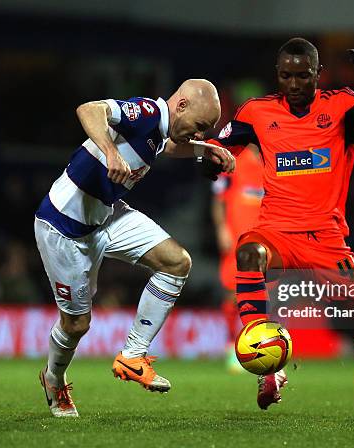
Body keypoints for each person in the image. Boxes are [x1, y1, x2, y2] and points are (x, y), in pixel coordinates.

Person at [168, 39, 354, 420]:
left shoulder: (343, 106)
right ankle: (267, 358)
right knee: (248, 254)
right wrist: (208, 159)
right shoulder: (257, 112)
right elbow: (218, 146)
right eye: (286, 75)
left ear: (318, 75)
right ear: (277, 75)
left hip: (327, 240)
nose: (294, 83)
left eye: (302, 75)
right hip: (276, 231)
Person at [35, 79, 234, 417]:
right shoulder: (146, 112)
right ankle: (53, 377)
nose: (199, 134)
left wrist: (206, 149)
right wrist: (110, 151)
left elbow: (166, 148)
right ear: (181, 105)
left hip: (107, 215)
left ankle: (132, 355)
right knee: (77, 325)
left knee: (177, 262)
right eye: (200, 128)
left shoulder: (160, 132)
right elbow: (89, 109)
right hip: (64, 227)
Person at [210, 147, 264, 372]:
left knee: (262, 294)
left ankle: (260, 345)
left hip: (262, 241)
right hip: (237, 239)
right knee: (234, 293)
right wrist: (222, 228)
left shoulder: (271, 161)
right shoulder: (234, 160)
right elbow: (218, 198)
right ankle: (232, 346)